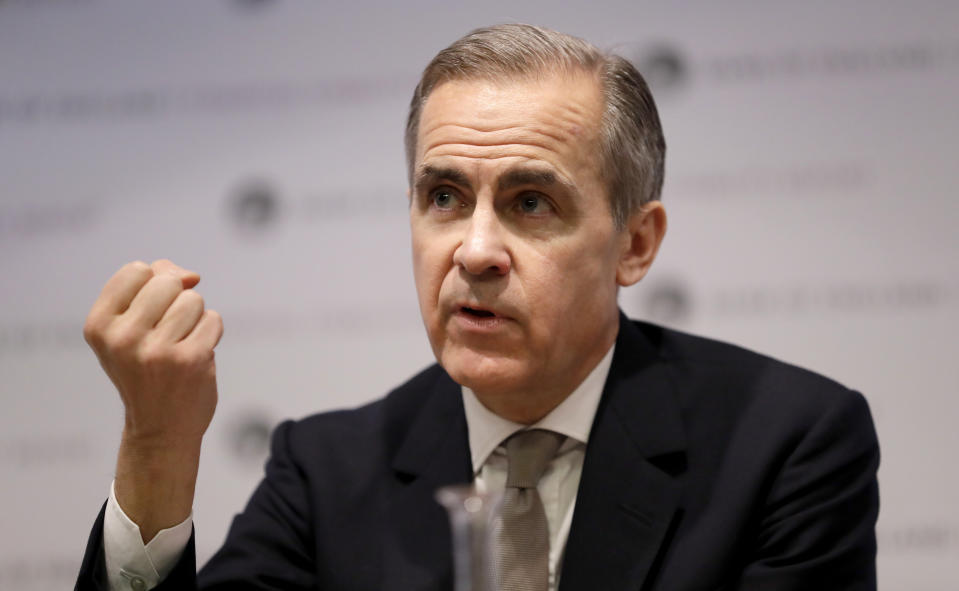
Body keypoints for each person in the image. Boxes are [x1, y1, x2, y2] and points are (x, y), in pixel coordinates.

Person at [75, 24, 879, 591]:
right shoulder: (326, 472)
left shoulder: (786, 444)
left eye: (531, 202)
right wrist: (157, 446)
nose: (474, 249)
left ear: (635, 244)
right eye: (444, 196)